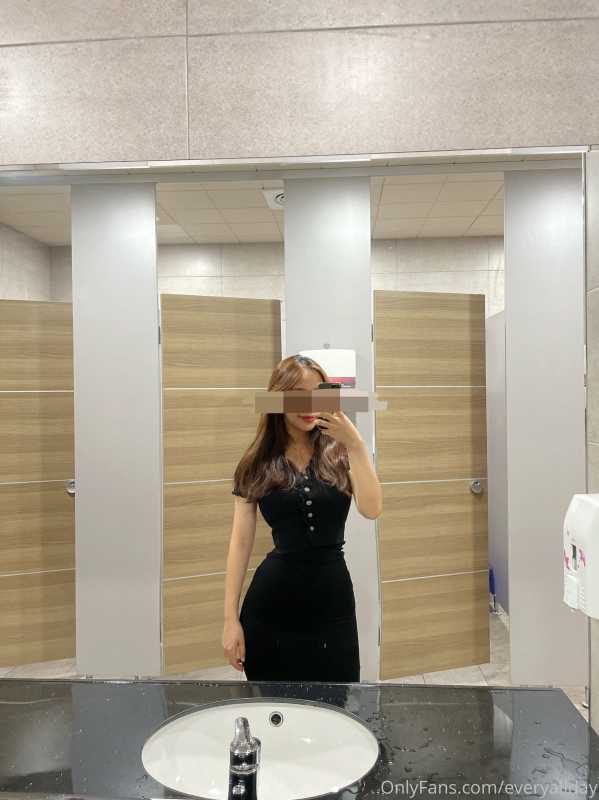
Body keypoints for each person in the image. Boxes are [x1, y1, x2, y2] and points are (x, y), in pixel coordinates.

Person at [222, 353, 382, 682]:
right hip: (271, 609)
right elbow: (240, 542)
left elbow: (371, 508)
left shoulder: (341, 452)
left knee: (338, 701)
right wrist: (229, 619)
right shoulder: (256, 462)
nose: (309, 405)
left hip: (333, 604)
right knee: (275, 706)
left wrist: (355, 443)